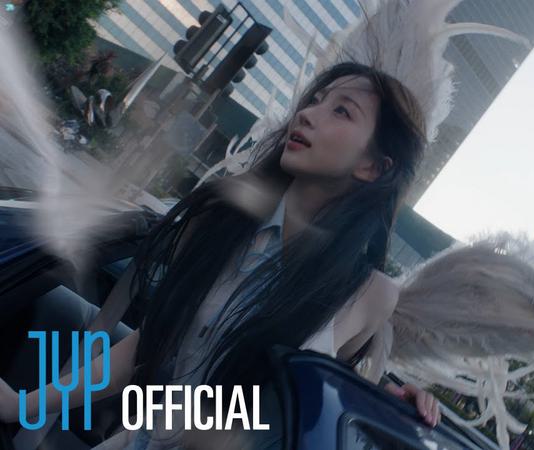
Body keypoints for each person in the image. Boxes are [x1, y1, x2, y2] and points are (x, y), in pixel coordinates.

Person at [0, 61, 442, 448]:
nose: (307, 113)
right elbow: (144, 348)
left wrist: (392, 411)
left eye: (341, 110)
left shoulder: (370, 294)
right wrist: (21, 406)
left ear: (373, 166)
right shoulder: (225, 222)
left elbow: (316, 408)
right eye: (315, 100)